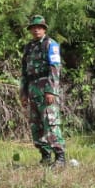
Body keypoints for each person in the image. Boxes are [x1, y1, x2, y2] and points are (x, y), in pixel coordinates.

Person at [19, 14, 66, 167]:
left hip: (46, 86)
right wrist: (23, 93)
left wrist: (51, 90)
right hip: (33, 88)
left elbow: (55, 68)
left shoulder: (51, 44)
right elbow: (24, 72)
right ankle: (45, 156)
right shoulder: (28, 47)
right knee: (36, 123)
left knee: (50, 121)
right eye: (33, 28)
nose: (36, 30)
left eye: (39, 27)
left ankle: (60, 157)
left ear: (44, 29)